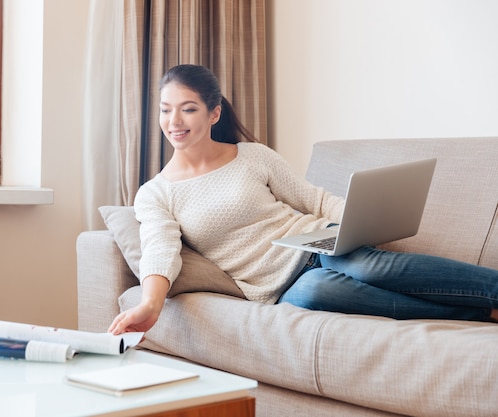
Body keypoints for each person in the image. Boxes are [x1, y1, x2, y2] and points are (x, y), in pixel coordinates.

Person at [108, 64, 498, 336]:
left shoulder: (253, 156)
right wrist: (151, 304)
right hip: (275, 285)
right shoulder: (155, 193)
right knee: (316, 294)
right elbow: (160, 250)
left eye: (187, 108)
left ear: (213, 113)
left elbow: (315, 200)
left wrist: (359, 221)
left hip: (315, 242)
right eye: (166, 110)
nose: (174, 121)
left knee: (369, 268)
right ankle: (482, 312)